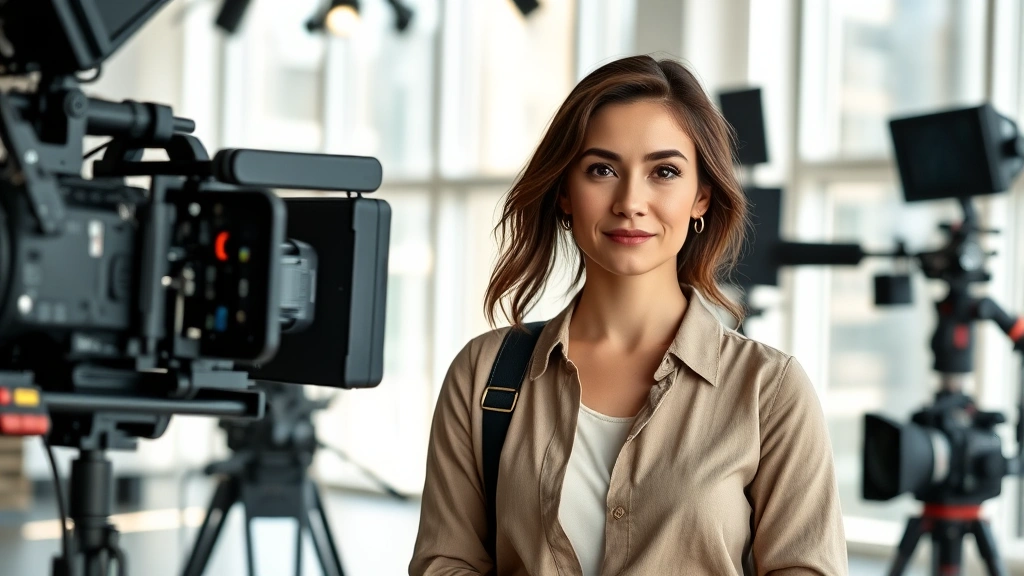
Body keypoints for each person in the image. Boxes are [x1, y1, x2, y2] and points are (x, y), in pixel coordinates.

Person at [409, 55, 847, 576]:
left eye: (664, 172)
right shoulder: (484, 374)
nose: (630, 201)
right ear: (566, 194)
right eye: (602, 170)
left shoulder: (769, 391)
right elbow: (446, 564)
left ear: (701, 196)